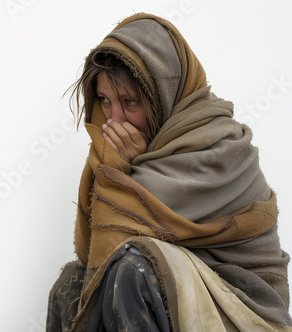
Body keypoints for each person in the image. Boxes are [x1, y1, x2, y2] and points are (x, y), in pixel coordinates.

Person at [46, 12, 292, 332]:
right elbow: (92, 250)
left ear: (162, 96)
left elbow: (139, 243)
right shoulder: (119, 155)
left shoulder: (218, 145)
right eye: (105, 101)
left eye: (129, 102)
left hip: (242, 308)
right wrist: (125, 168)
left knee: (132, 267)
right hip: (172, 289)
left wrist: (131, 174)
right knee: (73, 284)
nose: (114, 119)